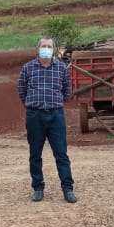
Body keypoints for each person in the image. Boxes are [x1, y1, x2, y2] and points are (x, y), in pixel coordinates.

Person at [17, 36, 77, 203]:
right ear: (38, 49)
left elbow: (67, 91)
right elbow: (21, 90)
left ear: (54, 49)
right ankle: (38, 188)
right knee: (35, 153)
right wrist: (32, 105)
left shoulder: (61, 69)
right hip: (35, 115)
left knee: (61, 153)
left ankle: (67, 189)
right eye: (43, 46)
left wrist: (55, 103)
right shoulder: (27, 68)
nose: (46, 49)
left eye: (49, 46)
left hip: (56, 115)